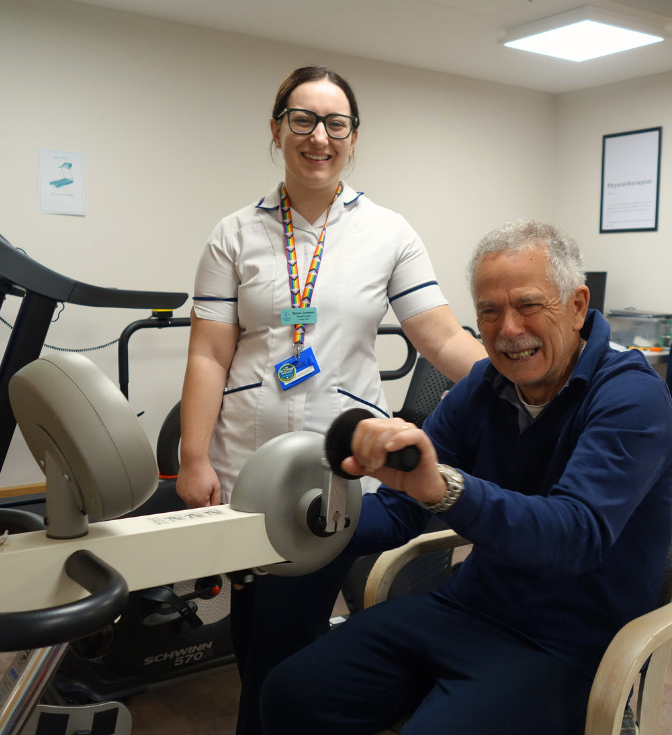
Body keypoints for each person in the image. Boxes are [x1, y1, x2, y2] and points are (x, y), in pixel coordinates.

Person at [260, 219, 672, 735]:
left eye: (528, 305)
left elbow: (576, 533)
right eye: (489, 310)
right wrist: (300, 528)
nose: (508, 330)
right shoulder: (482, 388)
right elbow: (399, 511)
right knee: (290, 690)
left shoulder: (631, 397)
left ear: (575, 306)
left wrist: (446, 488)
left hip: (567, 643)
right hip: (470, 608)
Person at [176, 65, 486, 734]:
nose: (319, 136)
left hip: (337, 466)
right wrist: (192, 455)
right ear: (276, 128)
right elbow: (208, 352)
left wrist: (515, 382)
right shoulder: (233, 233)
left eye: (335, 123)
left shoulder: (387, 232)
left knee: (288, 622)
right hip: (244, 462)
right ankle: (271, 710)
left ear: (352, 136)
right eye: (303, 120)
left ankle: (270, 719)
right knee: (255, 615)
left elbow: (437, 335)